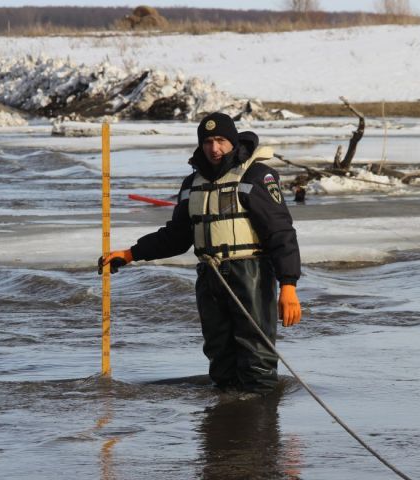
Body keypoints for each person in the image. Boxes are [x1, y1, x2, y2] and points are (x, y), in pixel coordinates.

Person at [98, 112, 302, 394]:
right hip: (210, 278)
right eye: (208, 142)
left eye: (220, 140)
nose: (214, 148)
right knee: (220, 359)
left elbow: (281, 233)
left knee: (257, 360)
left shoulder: (256, 176)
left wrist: (288, 286)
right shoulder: (191, 184)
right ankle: (226, 428)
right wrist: (131, 254)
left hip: (250, 276)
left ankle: (262, 430)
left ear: (232, 141)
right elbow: (177, 236)